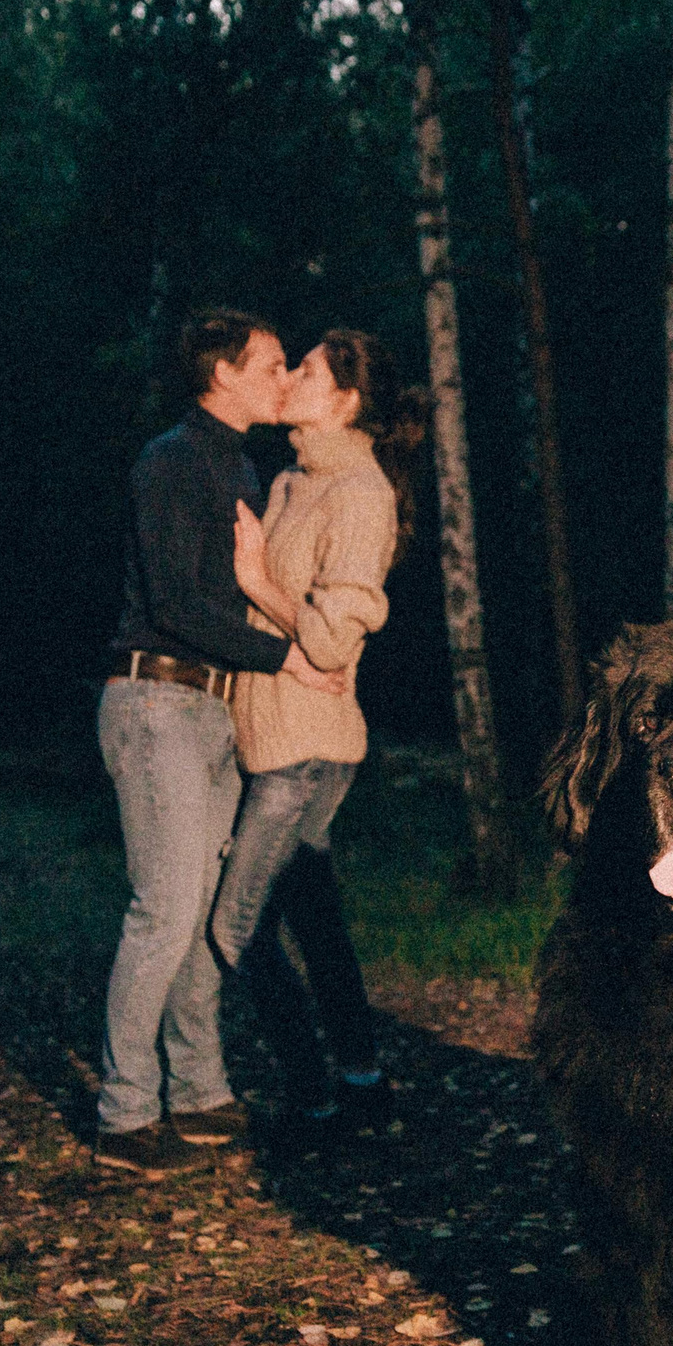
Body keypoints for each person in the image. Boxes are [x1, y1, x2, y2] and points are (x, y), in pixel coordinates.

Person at [97, 308, 339, 1176]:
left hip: (209, 708)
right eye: (273, 364)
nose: (283, 379)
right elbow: (178, 605)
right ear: (224, 374)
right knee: (163, 907)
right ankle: (126, 1111)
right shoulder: (169, 460)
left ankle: (198, 1092)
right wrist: (290, 660)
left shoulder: (241, 464)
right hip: (153, 696)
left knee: (199, 912)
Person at [200, 329, 421, 1124]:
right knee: (314, 918)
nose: (289, 377)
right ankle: (361, 1083)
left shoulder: (361, 494)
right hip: (276, 738)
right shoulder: (294, 478)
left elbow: (332, 638)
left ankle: (305, 1092)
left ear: (345, 400)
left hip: (306, 747)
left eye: (306, 370)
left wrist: (256, 579)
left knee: (235, 924)